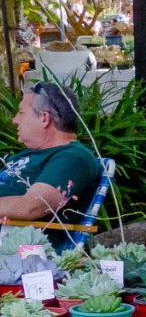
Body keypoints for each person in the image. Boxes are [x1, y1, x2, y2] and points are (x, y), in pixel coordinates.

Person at [0, 82, 103, 241]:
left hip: (21, 251)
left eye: (21, 113)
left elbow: (32, 207)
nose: (15, 120)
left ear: (44, 118)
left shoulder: (73, 157)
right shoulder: (25, 156)